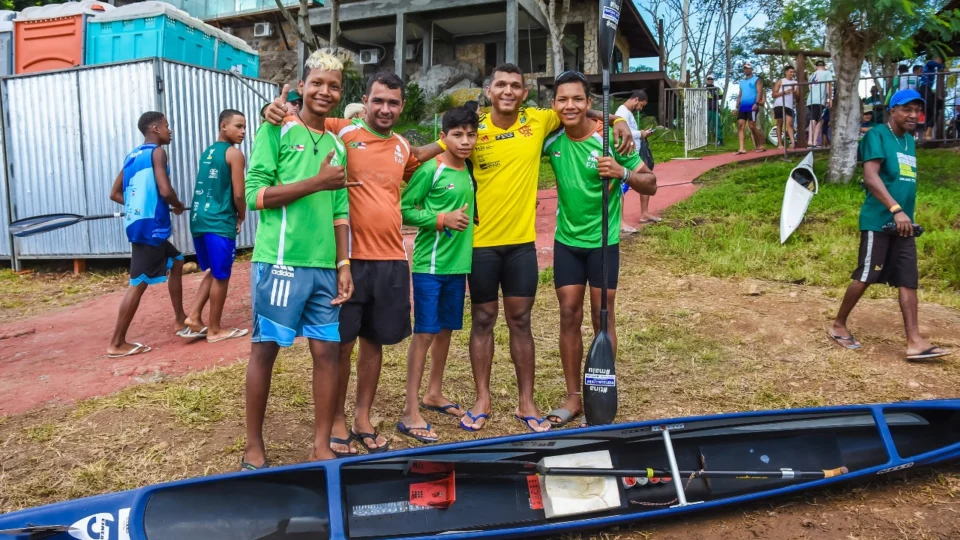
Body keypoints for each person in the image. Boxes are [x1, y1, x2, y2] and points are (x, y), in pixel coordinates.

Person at [422, 64, 636, 433]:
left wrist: (617, 118)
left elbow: (578, 109)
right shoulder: (472, 131)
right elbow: (430, 156)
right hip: (481, 245)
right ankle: (482, 399)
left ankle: (527, 402)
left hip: (521, 246)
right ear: (489, 90)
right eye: (501, 85)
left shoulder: (538, 121)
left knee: (521, 322)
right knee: (483, 321)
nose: (508, 91)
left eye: (516, 86)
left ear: (525, 93)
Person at [262, 72, 442, 456]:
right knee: (339, 345)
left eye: (393, 102)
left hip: (392, 258)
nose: (385, 108)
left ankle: (363, 417)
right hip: (348, 260)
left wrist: (446, 143)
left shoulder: (400, 146)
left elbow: (414, 161)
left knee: (374, 343)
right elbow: (298, 115)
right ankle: (338, 422)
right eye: (378, 101)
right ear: (365, 100)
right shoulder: (342, 131)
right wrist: (271, 108)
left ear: (402, 107)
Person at [242, 49, 359, 469]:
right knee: (266, 349)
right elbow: (254, 197)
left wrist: (344, 265)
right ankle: (254, 445)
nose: (324, 91)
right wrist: (315, 182)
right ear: (302, 86)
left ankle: (321, 444)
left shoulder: (336, 146)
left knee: (327, 354)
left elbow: (341, 212)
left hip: (325, 268)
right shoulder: (275, 130)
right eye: (317, 83)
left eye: (333, 86)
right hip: (279, 263)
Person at [544, 71, 657, 427]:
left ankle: (600, 389)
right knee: (568, 315)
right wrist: (617, 117)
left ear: (588, 102)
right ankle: (574, 397)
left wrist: (622, 173)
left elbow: (650, 184)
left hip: (603, 244)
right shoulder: (551, 140)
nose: (570, 105)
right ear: (554, 105)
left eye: (577, 98)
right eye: (563, 99)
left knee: (601, 317)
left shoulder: (609, 142)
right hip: (567, 243)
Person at [829, 89, 951, 362]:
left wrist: (904, 215)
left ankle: (915, 341)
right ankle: (838, 324)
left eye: (917, 110)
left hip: (904, 223)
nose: (913, 115)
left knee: (908, 280)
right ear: (892, 111)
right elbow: (871, 177)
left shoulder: (909, 141)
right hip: (879, 220)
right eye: (906, 109)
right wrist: (895, 209)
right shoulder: (876, 135)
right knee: (866, 275)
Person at [397, 106, 479, 443]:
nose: (464, 141)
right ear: (442, 137)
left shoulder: (469, 170)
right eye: (457, 135)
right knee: (425, 333)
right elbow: (405, 209)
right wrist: (440, 219)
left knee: (445, 331)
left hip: (457, 267)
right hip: (430, 266)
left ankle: (434, 393)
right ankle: (409, 409)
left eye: (470, 135)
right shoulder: (431, 168)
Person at [106, 112, 187, 358]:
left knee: (177, 260)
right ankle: (117, 343)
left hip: (139, 223)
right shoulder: (157, 152)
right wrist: (177, 204)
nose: (169, 130)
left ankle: (181, 319)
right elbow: (165, 189)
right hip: (150, 226)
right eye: (166, 125)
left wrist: (135, 207)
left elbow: (115, 193)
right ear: (155, 128)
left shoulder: (132, 155)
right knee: (138, 282)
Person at [184, 109, 249, 343]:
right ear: (224, 126)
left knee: (214, 270)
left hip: (199, 219)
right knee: (222, 274)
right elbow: (239, 194)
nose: (243, 132)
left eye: (244, 127)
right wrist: (241, 216)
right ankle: (214, 330)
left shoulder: (208, 152)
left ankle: (193, 316)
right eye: (238, 126)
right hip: (219, 221)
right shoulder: (234, 154)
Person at [615, 90, 658, 224]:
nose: (640, 109)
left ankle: (644, 213)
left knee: (646, 179)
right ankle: (619, 221)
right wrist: (641, 133)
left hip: (635, 155)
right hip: (626, 156)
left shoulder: (628, 113)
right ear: (635, 100)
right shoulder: (622, 112)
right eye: (641, 105)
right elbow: (622, 133)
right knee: (621, 186)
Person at [735, 62, 765, 154]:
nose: (746, 70)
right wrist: (736, 106)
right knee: (740, 125)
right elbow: (740, 95)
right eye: (745, 68)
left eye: (748, 68)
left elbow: (759, 92)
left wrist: (756, 103)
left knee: (752, 126)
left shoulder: (757, 79)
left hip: (752, 105)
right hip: (742, 106)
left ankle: (761, 145)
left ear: (751, 69)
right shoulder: (742, 82)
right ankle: (741, 148)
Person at [807, 60, 833, 148]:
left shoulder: (811, 75)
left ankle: (814, 141)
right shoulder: (827, 73)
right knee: (814, 119)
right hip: (819, 100)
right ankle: (810, 140)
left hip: (811, 99)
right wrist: (829, 98)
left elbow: (810, 87)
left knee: (819, 120)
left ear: (816, 66)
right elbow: (828, 86)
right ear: (824, 66)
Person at [772, 65, 798, 149]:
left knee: (790, 123)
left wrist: (794, 91)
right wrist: (784, 92)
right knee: (780, 123)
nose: (792, 73)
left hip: (789, 105)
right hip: (779, 104)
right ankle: (780, 143)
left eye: (793, 72)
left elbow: (798, 97)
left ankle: (792, 142)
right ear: (786, 72)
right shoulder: (781, 81)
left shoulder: (796, 83)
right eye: (790, 72)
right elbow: (773, 94)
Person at [919, 56, 945, 140]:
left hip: (927, 90)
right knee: (934, 111)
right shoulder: (929, 64)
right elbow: (931, 63)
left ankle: (925, 132)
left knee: (930, 113)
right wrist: (942, 67)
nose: (939, 63)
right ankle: (928, 130)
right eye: (939, 61)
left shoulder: (932, 68)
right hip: (925, 89)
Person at [705, 74, 723, 145]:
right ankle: (703, 140)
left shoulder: (717, 88)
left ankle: (720, 140)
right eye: (709, 79)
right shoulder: (704, 88)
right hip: (706, 110)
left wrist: (713, 96)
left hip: (715, 109)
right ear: (707, 80)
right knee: (705, 124)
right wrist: (712, 96)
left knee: (718, 125)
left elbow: (721, 96)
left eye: (711, 79)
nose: (710, 80)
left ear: (713, 80)